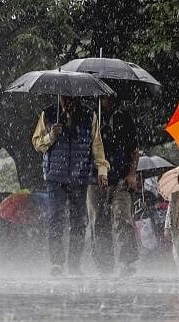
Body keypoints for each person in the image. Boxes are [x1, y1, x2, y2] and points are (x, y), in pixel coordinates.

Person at [32, 96, 101, 277]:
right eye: (63, 97)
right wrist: (51, 136)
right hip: (55, 177)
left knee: (79, 221)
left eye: (70, 97)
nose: (67, 100)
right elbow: (37, 144)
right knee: (56, 218)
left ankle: (74, 263)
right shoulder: (48, 114)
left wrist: (101, 168)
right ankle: (57, 263)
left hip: (80, 176)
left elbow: (97, 144)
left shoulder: (88, 115)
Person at [87, 95, 140, 277]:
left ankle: (127, 262)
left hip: (120, 179)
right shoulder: (91, 116)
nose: (107, 99)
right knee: (98, 221)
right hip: (95, 179)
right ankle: (104, 264)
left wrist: (132, 173)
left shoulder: (124, 118)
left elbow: (134, 149)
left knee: (123, 218)